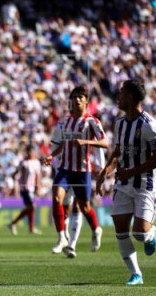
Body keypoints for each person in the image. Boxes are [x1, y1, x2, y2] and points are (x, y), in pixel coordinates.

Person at [96, 79, 156, 286]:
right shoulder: (120, 123)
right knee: (120, 229)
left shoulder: (149, 125)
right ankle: (136, 274)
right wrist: (105, 171)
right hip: (123, 184)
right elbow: (118, 153)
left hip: (145, 183)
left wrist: (131, 172)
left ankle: (150, 233)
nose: (118, 96)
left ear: (132, 97)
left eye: (122, 92)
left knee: (140, 233)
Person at [44, 85, 107, 257]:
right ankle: (61, 237)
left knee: (84, 207)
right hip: (64, 169)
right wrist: (52, 155)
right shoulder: (65, 122)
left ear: (86, 101)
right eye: (74, 97)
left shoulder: (92, 122)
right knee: (57, 197)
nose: (77, 100)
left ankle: (96, 230)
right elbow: (63, 144)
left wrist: (86, 142)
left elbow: (105, 143)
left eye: (80, 97)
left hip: (82, 171)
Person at [8, 144, 43, 235]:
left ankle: (25, 226)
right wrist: (16, 184)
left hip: (32, 189)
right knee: (32, 206)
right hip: (25, 188)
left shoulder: (37, 162)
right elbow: (15, 173)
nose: (31, 153)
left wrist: (38, 187)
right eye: (29, 152)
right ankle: (15, 223)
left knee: (30, 208)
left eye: (32, 151)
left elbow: (38, 175)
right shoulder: (24, 163)